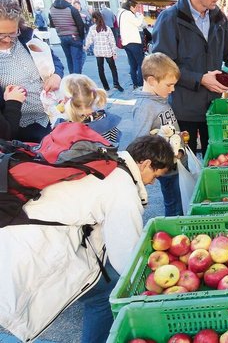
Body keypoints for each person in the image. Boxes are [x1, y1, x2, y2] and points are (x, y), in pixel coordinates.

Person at [12, 134, 174, 343]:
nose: (153, 183)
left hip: (28, 229)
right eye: (156, 176)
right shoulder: (123, 190)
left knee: (99, 284)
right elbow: (125, 257)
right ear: (146, 164)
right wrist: (150, 287)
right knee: (105, 292)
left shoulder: (111, 163)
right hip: (37, 244)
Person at [152, 0, 228, 156]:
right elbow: (163, 65)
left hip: (214, 108)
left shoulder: (219, 17)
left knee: (217, 158)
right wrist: (199, 79)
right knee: (185, 163)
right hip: (185, 110)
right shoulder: (170, 19)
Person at [0, 0, 64, 142]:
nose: (8, 39)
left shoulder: (27, 37)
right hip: (21, 129)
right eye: (1, 35)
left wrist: (56, 76)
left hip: (53, 115)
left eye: (12, 33)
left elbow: (55, 61)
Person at [131, 52, 184, 216]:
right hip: (166, 168)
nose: (173, 89)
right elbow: (140, 143)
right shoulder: (145, 107)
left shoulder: (159, 98)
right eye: (169, 85)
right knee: (174, 203)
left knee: (179, 199)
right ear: (152, 81)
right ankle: (176, 229)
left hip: (174, 164)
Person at [59, 74, 121, 144]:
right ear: (93, 96)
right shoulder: (107, 120)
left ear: (65, 99)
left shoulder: (63, 128)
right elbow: (115, 142)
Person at [84, 11, 123, 92]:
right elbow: (112, 41)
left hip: (98, 52)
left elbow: (89, 40)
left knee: (100, 69)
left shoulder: (92, 29)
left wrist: (85, 47)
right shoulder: (107, 28)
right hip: (107, 51)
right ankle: (116, 84)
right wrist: (114, 53)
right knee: (113, 68)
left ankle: (106, 86)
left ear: (94, 19)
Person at [49, 0, 85, 74]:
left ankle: (72, 79)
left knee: (69, 59)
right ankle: (77, 79)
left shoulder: (51, 9)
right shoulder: (71, 9)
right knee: (77, 60)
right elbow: (80, 24)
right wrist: (81, 37)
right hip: (74, 36)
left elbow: (52, 24)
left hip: (62, 36)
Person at [118, 0, 145, 89]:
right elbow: (138, 23)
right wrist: (140, 16)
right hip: (133, 42)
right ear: (131, 7)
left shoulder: (120, 13)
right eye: (135, 7)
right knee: (141, 63)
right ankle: (140, 83)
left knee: (133, 64)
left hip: (126, 43)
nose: (136, 9)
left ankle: (135, 84)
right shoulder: (128, 14)